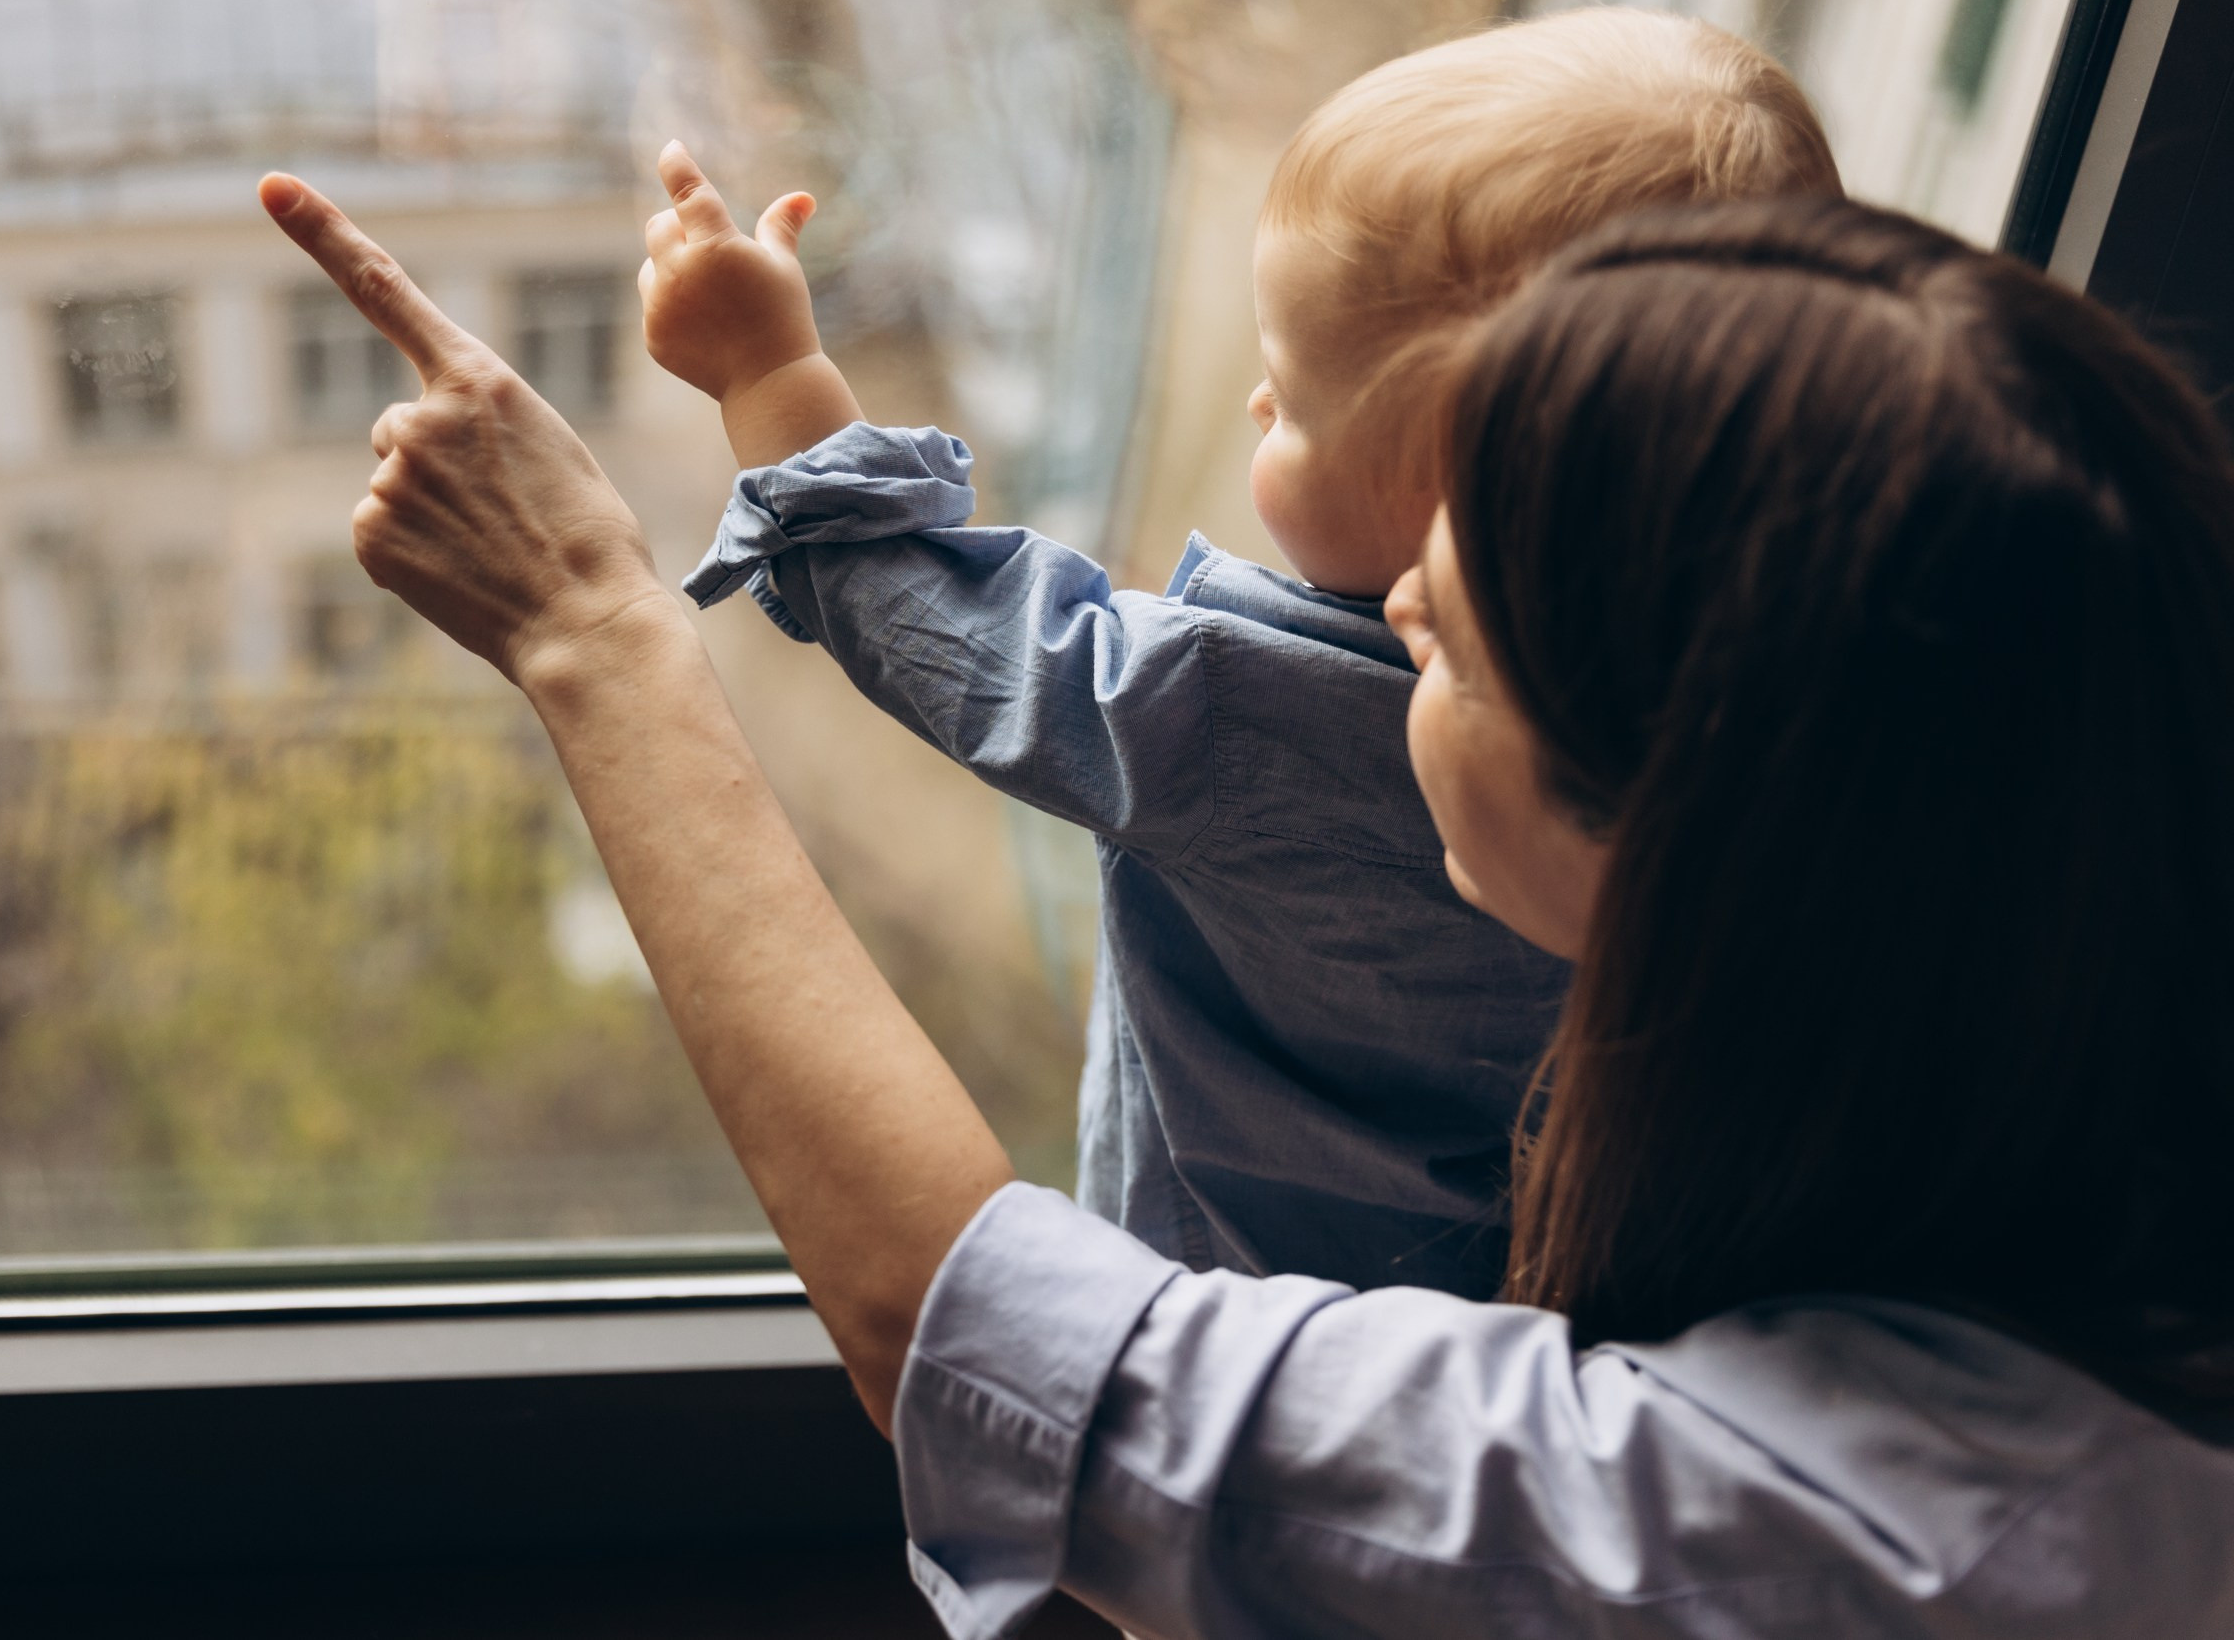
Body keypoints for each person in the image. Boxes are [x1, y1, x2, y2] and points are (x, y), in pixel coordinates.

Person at [263, 177, 2234, 1635]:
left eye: (1447, 636)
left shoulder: (1810, 1534)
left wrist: (595, 627)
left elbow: (976, 1338)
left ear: (1698, 833)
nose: (1375, 620)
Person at [639, 9, 1843, 1297]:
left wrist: (768, 374)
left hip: (1235, 1330)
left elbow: (929, 617)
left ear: (1457, 501)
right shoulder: (1803, 708)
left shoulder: (1244, 721)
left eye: (1293, 393)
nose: (1260, 402)